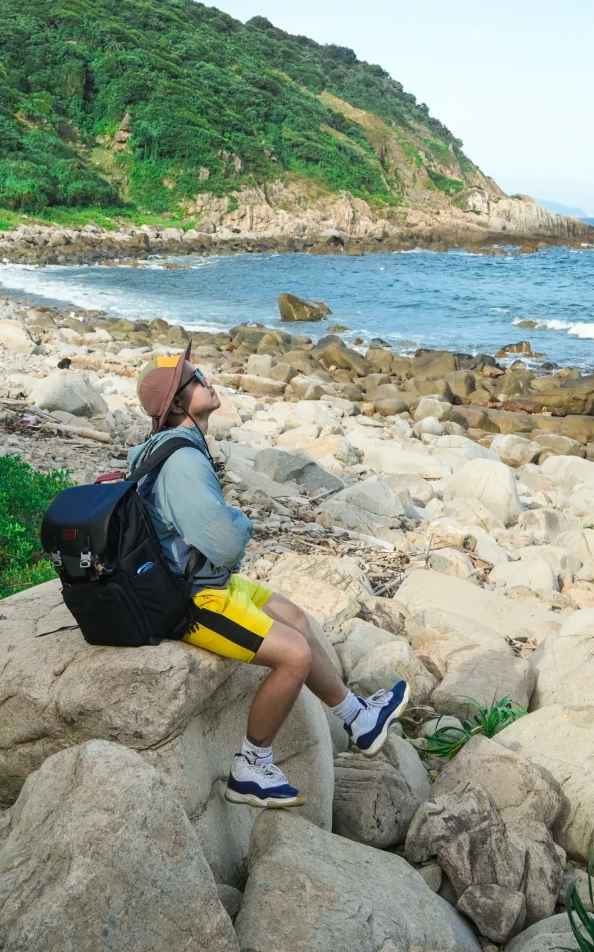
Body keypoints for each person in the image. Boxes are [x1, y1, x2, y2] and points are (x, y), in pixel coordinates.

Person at [129, 343, 409, 809]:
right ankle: (251, 766)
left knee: (295, 618)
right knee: (294, 654)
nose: (206, 380)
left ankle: (358, 718)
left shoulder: (174, 447)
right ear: (177, 404)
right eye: (195, 378)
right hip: (192, 599)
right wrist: (243, 522)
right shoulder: (182, 461)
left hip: (204, 579)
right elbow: (224, 542)